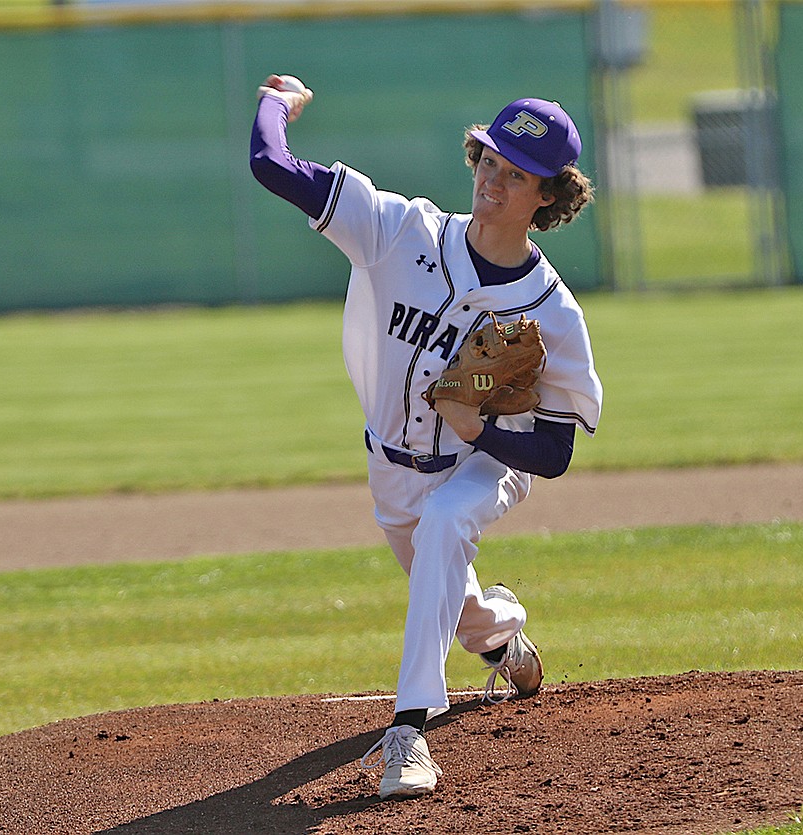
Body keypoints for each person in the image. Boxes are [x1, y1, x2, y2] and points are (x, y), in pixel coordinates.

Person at [250, 75, 603, 801]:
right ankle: (502, 634)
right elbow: (270, 164)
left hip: (481, 465)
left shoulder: (552, 313)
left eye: (517, 175)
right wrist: (277, 103)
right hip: (391, 470)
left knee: (447, 521)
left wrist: (486, 430)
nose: (494, 183)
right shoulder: (399, 229)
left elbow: (557, 451)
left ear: (549, 195)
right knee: (448, 590)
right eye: (489, 161)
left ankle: (409, 731)